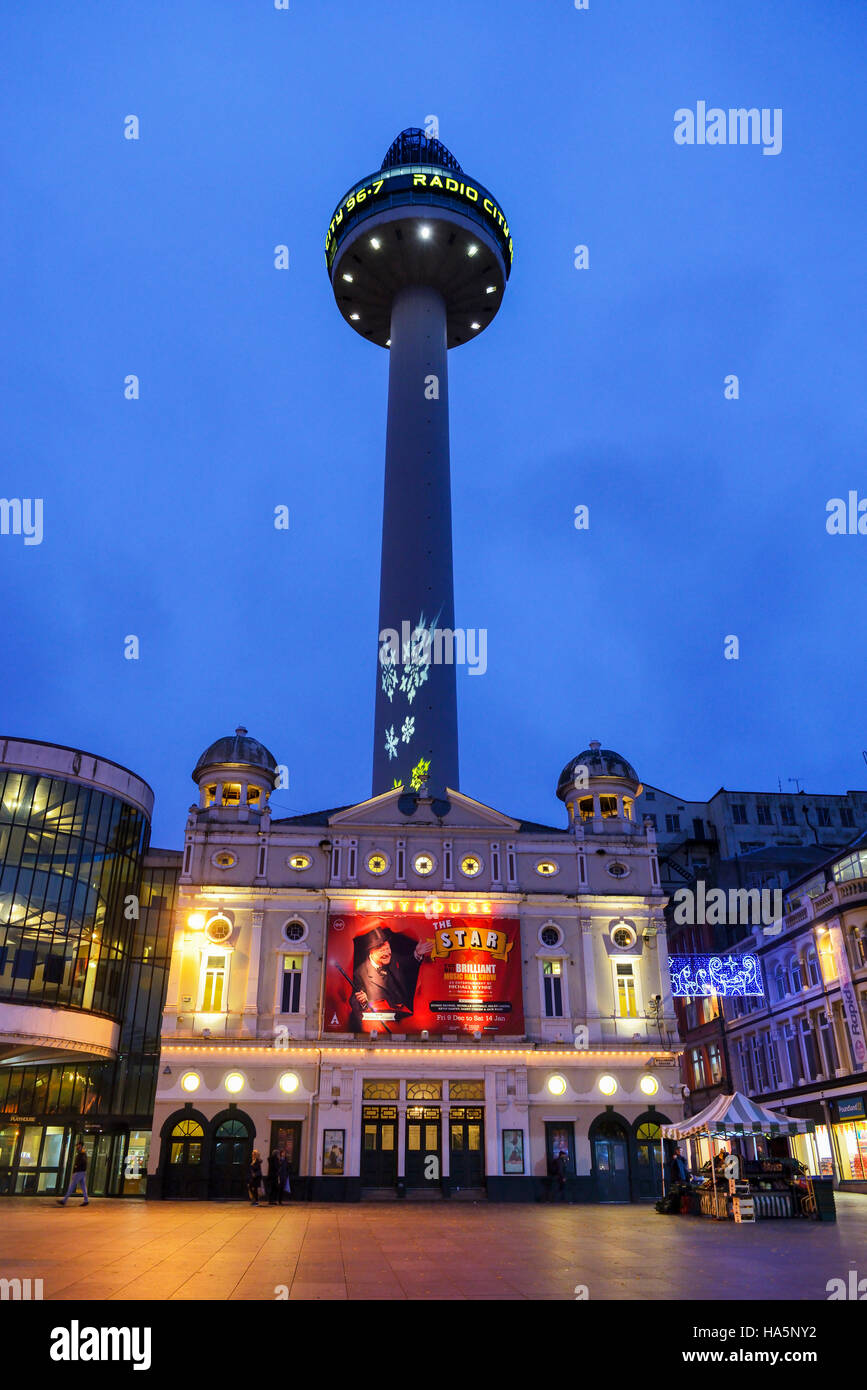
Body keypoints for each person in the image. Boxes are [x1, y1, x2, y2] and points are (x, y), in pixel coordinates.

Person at [349, 925, 433, 1032]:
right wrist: (362, 1000)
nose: (387, 953)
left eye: (388, 949)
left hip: (404, 1019)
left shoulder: (394, 959)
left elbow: (407, 962)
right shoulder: (360, 973)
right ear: (371, 952)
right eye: (382, 951)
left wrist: (417, 953)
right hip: (381, 1024)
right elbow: (355, 1000)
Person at [57, 1141, 89, 1206]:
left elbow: (82, 1162)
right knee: (83, 1186)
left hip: (79, 1172)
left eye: (78, 1145)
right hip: (82, 1172)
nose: (77, 1147)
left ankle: (64, 1200)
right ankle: (86, 1200)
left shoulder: (81, 1154)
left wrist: (76, 1167)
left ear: (81, 1146)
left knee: (72, 1186)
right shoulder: (83, 1153)